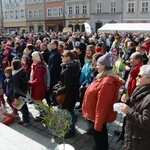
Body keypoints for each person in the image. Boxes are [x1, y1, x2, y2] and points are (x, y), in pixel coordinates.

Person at [82, 53, 124, 150]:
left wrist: (98, 124)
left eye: (98, 65)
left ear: (104, 66)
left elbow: (103, 105)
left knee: (100, 136)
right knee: (99, 136)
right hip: (95, 116)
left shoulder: (107, 82)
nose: (96, 66)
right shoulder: (102, 76)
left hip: (97, 118)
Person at [120, 65, 150, 150]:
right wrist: (127, 101)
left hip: (140, 143)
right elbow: (137, 106)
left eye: (140, 76)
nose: (137, 78)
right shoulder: (139, 88)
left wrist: (128, 111)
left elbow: (147, 122)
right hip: (132, 136)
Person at [53, 51, 80, 138]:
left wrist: (58, 91)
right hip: (71, 93)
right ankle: (69, 127)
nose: (61, 57)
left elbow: (68, 86)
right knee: (69, 111)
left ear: (68, 58)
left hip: (68, 95)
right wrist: (60, 83)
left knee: (69, 112)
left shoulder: (68, 69)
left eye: (63, 56)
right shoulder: (71, 66)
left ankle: (71, 130)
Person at [28, 51, 47, 122]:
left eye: (33, 57)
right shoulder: (37, 65)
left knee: (38, 103)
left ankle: (42, 116)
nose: (32, 58)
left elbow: (38, 80)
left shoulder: (38, 68)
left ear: (36, 58)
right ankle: (43, 114)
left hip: (38, 88)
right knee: (39, 102)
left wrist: (30, 83)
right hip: (38, 88)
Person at [11, 59, 30, 125]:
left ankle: (26, 121)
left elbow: (17, 88)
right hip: (24, 92)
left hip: (20, 94)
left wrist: (15, 96)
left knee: (23, 107)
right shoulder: (23, 71)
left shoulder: (16, 75)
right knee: (24, 106)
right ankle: (27, 118)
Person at [48, 40, 62, 106]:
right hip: (51, 73)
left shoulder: (56, 53)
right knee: (51, 87)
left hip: (54, 74)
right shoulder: (52, 52)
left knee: (54, 86)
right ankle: (53, 99)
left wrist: (49, 72)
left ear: (55, 45)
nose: (50, 45)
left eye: (52, 44)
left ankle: (55, 100)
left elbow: (54, 65)